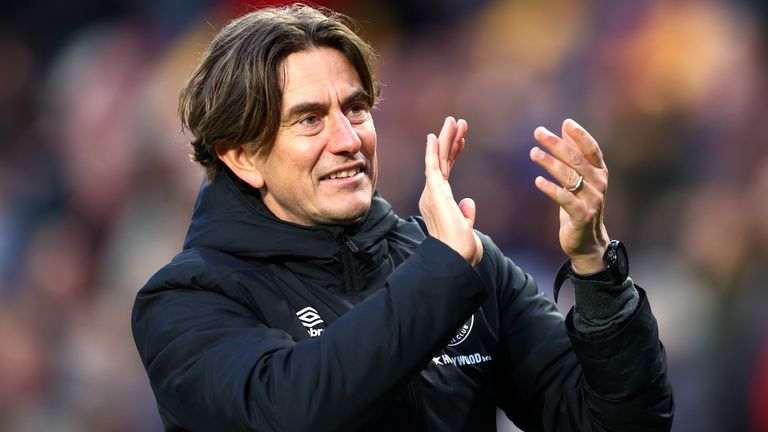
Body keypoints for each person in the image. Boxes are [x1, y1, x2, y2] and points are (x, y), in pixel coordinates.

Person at [131, 4, 674, 431]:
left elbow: (617, 423)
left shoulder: (460, 262)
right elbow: (289, 411)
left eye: (356, 108)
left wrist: (594, 267)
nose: (348, 139)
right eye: (309, 119)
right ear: (242, 155)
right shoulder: (187, 299)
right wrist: (439, 273)